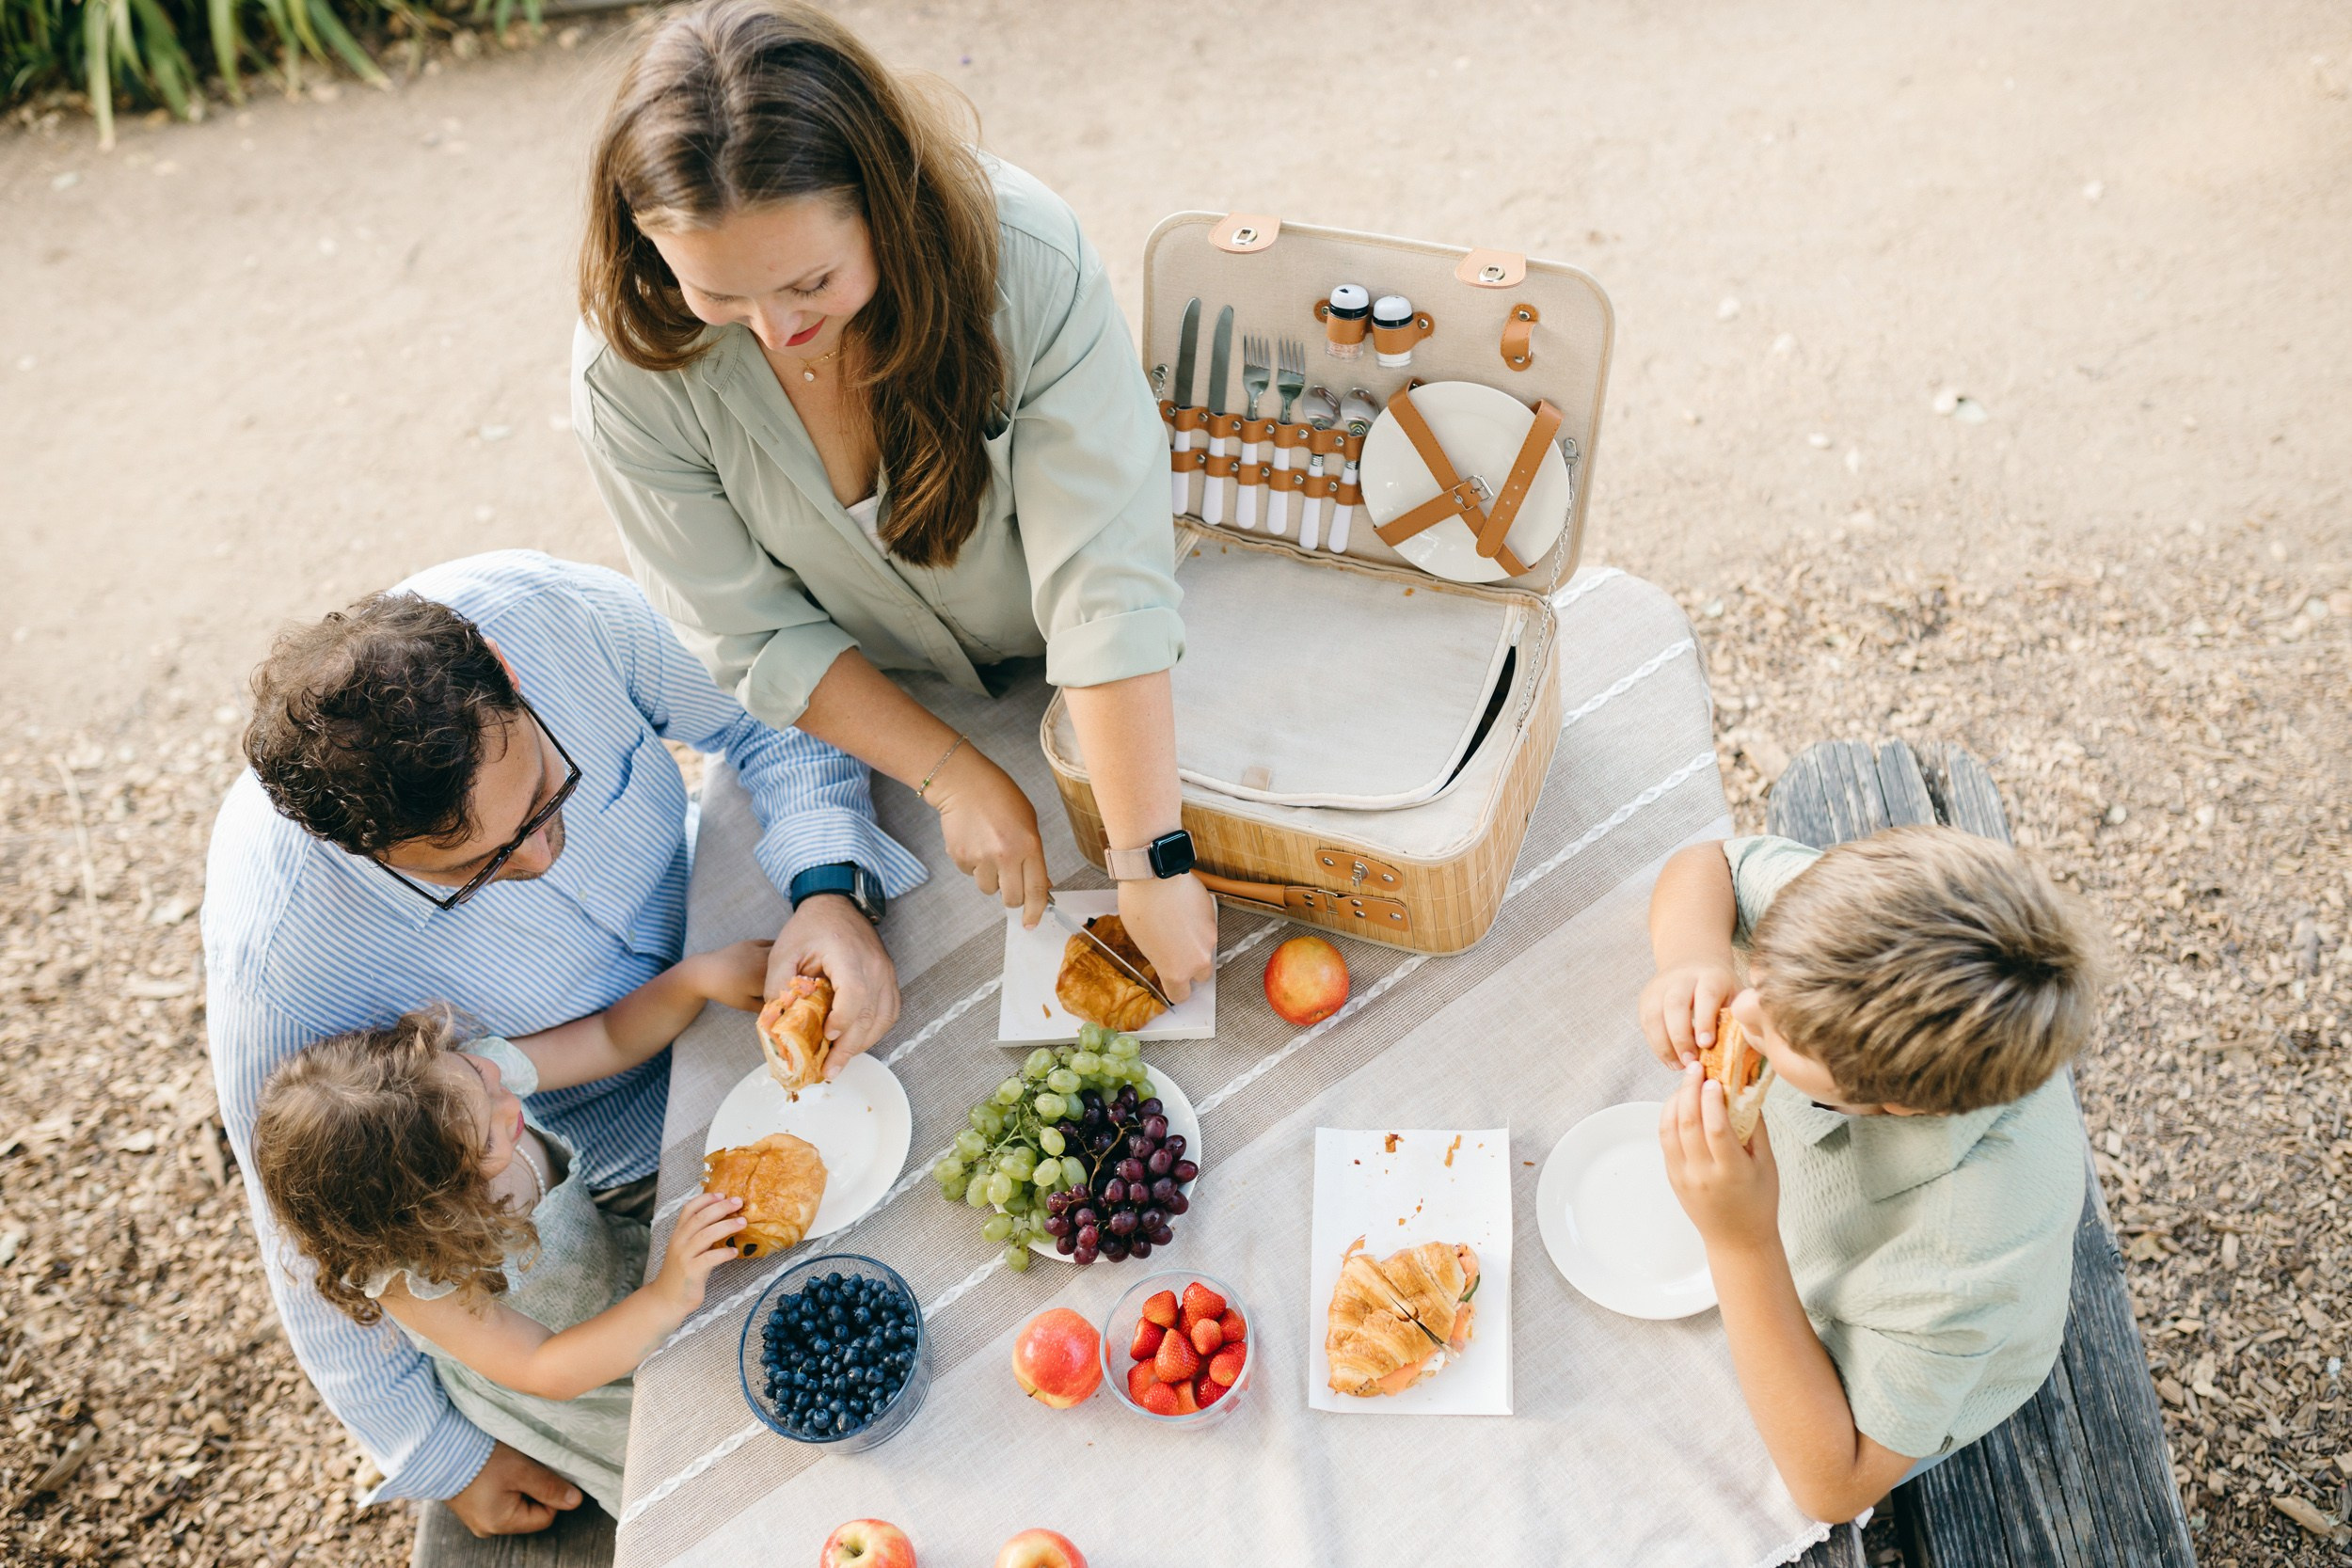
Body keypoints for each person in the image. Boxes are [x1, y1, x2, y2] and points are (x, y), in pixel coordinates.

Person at [202, 550, 922, 1534]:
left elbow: (772, 702)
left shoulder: (549, 614)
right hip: (597, 1196)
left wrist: (828, 887)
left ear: (505, 666)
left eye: (548, 790)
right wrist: (440, 1455)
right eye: (479, 864)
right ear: (354, 847)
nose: (543, 854)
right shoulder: (281, 959)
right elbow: (308, 1231)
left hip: (738, 950)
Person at [572, 0, 1217, 1002]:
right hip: (878, 710)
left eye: (810, 281)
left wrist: (1148, 857)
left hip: (1116, 673)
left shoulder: (1025, 258)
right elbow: (752, 636)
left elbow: (1105, 575)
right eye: (719, 295)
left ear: (887, 201)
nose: (777, 329)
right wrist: (952, 774)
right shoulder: (624, 373)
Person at [1639, 826, 2102, 1523]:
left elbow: (1834, 1484)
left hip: (1899, 1353)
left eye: (1782, 1035)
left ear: (1897, 1105)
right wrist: (1690, 958)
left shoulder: (1964, 1255)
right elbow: (1708, 863)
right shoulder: (1847, 935)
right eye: (1762, 975)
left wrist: (1741, 1241)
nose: (1746, 1009)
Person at [251, 943, 768, 1516]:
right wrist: (667, 1295)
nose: (507, 1103)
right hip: (588, 1374)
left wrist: (692, 981)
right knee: (727, 1470)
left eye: (478, 1071)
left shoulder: (457, 1091)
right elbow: (543, 1367)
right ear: (433, 1206)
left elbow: (608, 1038)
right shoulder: (419, 1279)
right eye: (492, 1140)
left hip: (629, 1273)